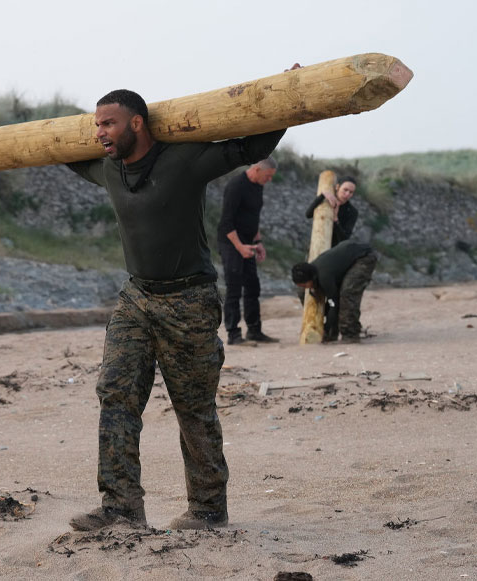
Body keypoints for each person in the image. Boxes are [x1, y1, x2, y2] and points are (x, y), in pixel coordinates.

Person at [65, 87, 289, 531]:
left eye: (107, 123)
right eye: (95, 124)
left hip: (189, 300)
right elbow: (60, 151)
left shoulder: (184, 161)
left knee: (193, 406)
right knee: (116, 395)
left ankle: (207, 509)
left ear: (136, 124)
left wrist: (289, 98)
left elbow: (251, 148)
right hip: (136, 297)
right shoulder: (107, 168)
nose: (99, 132)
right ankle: (121, 507)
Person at [217, 158, 279, 346]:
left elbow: (254, 217)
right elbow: (226, 222)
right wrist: (240, 247)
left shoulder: (258, 186)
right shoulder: (236, 186)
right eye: (268, 176)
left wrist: (257, 241)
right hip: (231, 242)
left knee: (253, 286)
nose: (269, 180)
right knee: (234, 288)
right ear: (257, 169)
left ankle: (254, 330)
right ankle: (234, 335)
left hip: (248, 241)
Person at [291, 240, 377, 343]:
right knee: (303, 293)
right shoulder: (311, 272)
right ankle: (333, 333)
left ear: (312, 278)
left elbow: (334, 303)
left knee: (347, 294)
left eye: (305, 285)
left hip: (363, 257)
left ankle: (351, 333)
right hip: (344, 259)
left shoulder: (324, 277)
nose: (306, 288)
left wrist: (327, 327)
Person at [305, 176, 359, 247]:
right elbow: (308, 215)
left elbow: (344, 239)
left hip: (333, 251)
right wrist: (322, 196)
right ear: (337, 187)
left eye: (351, 192)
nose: (347, 194)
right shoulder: (325, 200)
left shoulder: (352, 212)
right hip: (316, 244)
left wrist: (335, 219)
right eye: (345, 190)